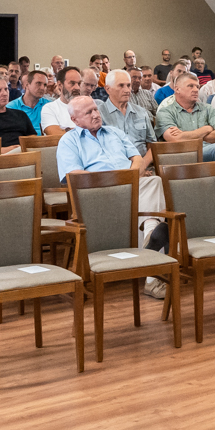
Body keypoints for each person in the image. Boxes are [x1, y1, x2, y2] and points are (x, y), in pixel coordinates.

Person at [56, 95, 173, 298]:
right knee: (150, 203)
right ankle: (153, 272)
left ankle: (151, 235)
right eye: (88, 112)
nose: (95, 114)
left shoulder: (114, 132)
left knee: (154, 181)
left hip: (129, 186)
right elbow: (73, 175)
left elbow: (137, 159)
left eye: (95, 109)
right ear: (75, 120)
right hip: (98, 193)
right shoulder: (68, 141)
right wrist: (113, 180)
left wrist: (130, 177)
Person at [154, 72, 215, 161]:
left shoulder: (208, 109)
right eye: (190, 86)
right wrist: (207, 129)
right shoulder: (165, 112)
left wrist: (186, 135)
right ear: (177, 89)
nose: (196, 90)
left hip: (207, 152)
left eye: (197, 87)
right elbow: (175, 139)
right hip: (181, 154)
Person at [99, 69, 157, 158]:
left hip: (144, 163)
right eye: (121, 85)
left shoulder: (141, 111)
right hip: (114, 164)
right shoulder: (99, 114)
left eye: (129, 85)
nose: (127, 90)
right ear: (108, 89)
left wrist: (142, 164)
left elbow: (152, 144)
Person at [6, 69, 52, 134]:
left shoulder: (50, 105)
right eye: (38, 83)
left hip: (47, 139)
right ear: (27, 85)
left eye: (45, 85)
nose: (42, 88)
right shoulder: (11, 107)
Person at [41, 66, 84, 136]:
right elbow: (56, 135)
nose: (77, 88)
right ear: (60, 85)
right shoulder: (49, 108)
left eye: (79, 84)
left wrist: (67, 130)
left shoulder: (88, 107)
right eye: (72, 83)